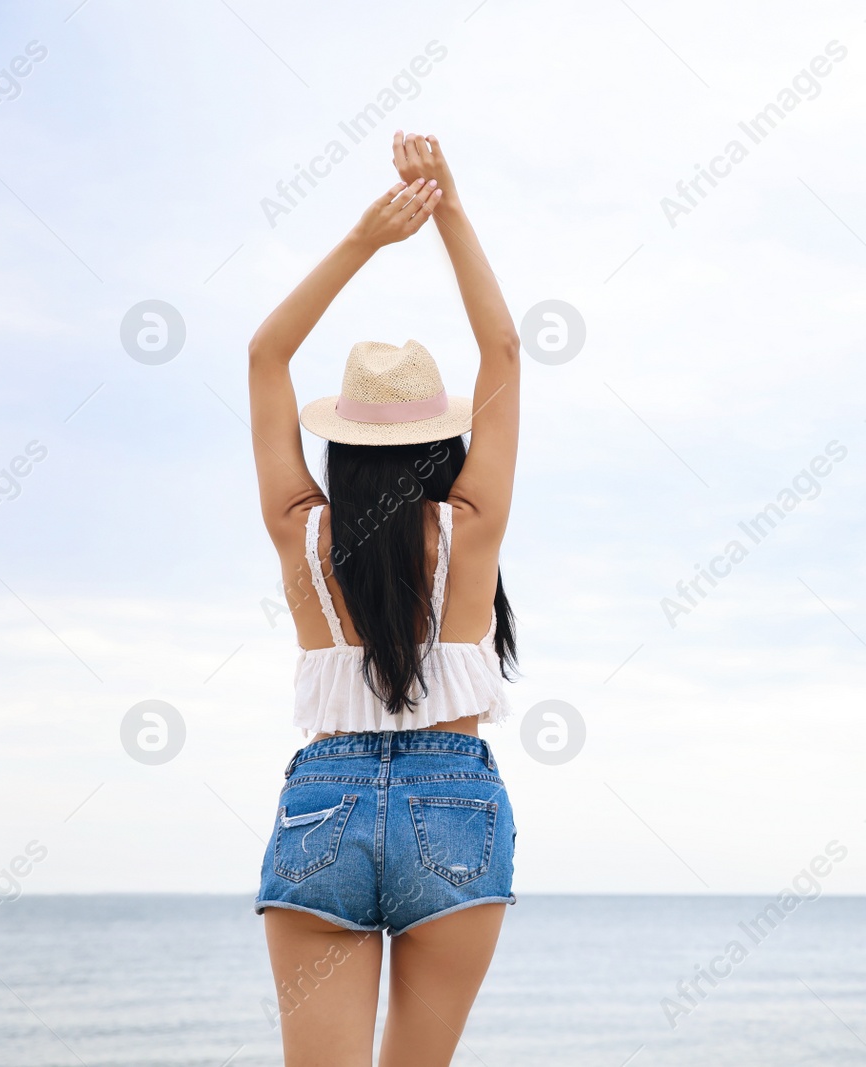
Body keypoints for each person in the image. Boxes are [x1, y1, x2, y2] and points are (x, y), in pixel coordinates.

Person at [245, 131, 521, 1066]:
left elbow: (264, 354)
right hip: (455, 800)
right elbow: (504, 349)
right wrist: (449, 207)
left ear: (343, 444)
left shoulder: (300, 528)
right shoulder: (472, 524)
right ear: (438, 442)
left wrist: (366, 238)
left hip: (324, 802)